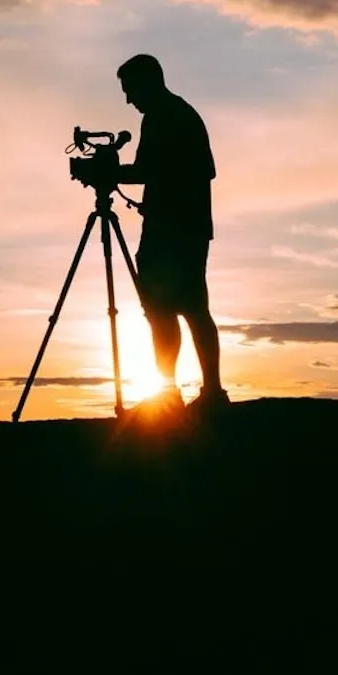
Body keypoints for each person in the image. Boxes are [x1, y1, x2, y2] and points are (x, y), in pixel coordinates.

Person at [114, 53, 228, 413]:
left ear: (148, 81)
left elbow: (188, 170)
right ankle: (191, 393)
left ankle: (184, 395)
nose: (129, 99)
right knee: (184, 309)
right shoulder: (177, 114)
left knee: (173, 310)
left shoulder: (165, 116)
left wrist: (110, 173)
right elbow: (176, 169)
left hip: (173, 230)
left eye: (130, 89)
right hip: (185, 227)